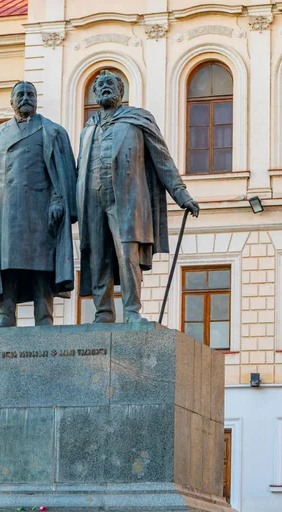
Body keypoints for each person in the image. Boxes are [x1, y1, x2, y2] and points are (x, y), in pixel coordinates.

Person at [76, 69, 200, 324]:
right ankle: (103, 313)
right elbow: (79, 169)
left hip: (125, 198)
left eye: (110, 84)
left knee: (126, 254)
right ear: (95, 93)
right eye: (100, 86)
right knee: (97, 257)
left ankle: (132, 311)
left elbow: (162, 160)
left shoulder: (138, 119)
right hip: (91, 200)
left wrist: (181, 194)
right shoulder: (88, 128)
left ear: (121, 92)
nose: (104, 88)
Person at [0, 81, 76, 327]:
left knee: (42, 264)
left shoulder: (53, 131)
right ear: (11, 102)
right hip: (4, 211)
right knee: (6, 265)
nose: (26, 98)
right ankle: (5, 316)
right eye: (20, 94)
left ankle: (44, 317)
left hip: (41, 209)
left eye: (31, 94)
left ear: (37, 100)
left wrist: (58, 201)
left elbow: (64, 174)